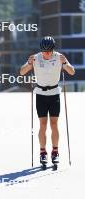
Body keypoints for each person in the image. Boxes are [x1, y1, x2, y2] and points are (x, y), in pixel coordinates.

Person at [20, 36, 75, 166]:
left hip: (54, 93)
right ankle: (43, 152)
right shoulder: (35, 58)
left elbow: (72, 72)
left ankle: (55, 152)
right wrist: (28, 63)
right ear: (41, 50)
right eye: (44, 51)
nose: (47, 54)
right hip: (40, 94)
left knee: (54, 124)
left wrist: (65, 63)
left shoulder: (59, 57)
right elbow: (22, 72)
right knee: (43, 125)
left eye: (49, 51)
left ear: (53, 49)